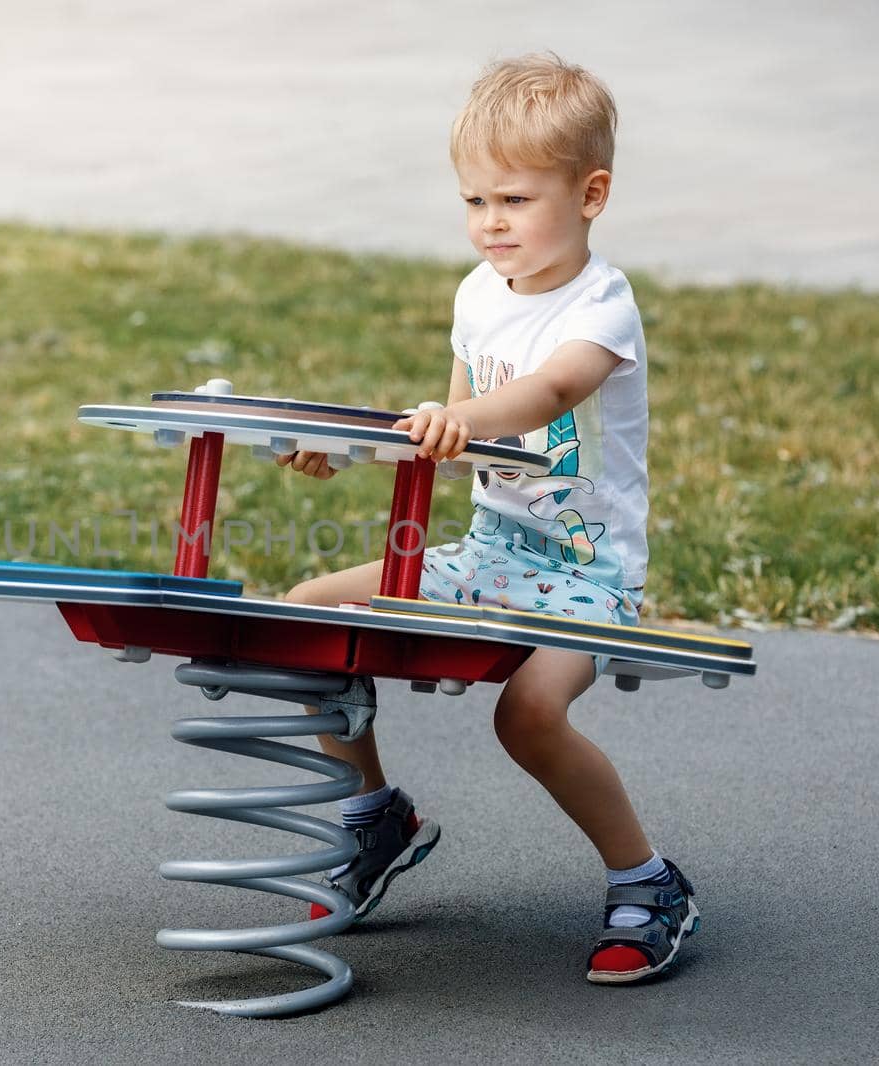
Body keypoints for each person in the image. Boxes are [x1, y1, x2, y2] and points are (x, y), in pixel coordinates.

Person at [277, 52, 697, 984]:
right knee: (308, 612)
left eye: (514, 200)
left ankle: (649, 880)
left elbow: (548, 392)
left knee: (529, 715)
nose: (490, 224)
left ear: (591, 195)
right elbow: (449, 431)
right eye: (474, 202)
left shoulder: (602, 307)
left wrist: (454, 421)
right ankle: (374, 814)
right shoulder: (476, 295)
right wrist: (359, 446)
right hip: (489, 552)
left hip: (585, 574)